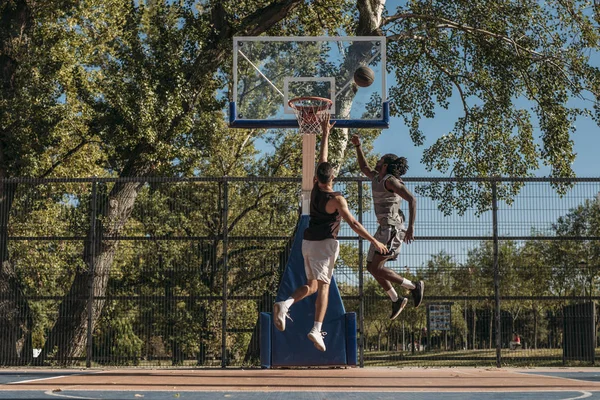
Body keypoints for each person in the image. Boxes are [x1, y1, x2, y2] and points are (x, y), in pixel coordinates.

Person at [273, 121, 388, 352]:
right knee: (324, 287)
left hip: (307, 243)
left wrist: (325, 133)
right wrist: (374, 241)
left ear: (317, 177)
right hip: (324, 245)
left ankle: (285, 304)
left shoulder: (315, 188)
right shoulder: (336, 199)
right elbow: (353, 223)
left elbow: (322, 159)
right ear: (332, 177)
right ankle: (316, 329)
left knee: (312, 286)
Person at [350, 134, 424, 320]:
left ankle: (414, 287)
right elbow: (363, 167)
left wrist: (411, 228)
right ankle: (396, 299)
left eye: (380, 159)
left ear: (385, 165)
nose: (377, 161)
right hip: (383, 228)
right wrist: (358, 146)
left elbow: (412, 200)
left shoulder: (391, 181)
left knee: (376, 267)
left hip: (392, 228)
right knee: (370, 267)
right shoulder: (376, 177)